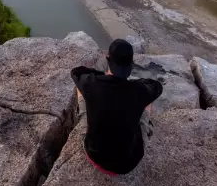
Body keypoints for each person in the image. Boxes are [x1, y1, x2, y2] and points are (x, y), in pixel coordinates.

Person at [70, 39, 163, 175]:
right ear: (131, 65)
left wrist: (103, 76)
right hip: (127, 164)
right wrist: (136, 84)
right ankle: (144, 126)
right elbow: (156, 86)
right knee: (148, 99)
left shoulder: (93, 83)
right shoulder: (138, 91)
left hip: (94, 155)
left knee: (81, 89)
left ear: (108, 59)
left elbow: (76, 72)